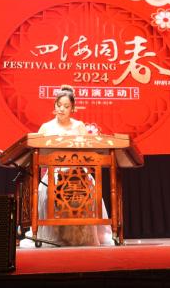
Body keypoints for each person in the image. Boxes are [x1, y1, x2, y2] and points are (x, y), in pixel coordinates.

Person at [29, 85, 112, 246]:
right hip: (54, 172)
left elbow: (87, 151)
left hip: (77, 171)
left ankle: (84, 234)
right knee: (44, 191)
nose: (61, 109)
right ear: (54, 105)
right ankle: (53, 233)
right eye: (59, 105)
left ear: (72, 108)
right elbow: (36, 153)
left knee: (92, 187)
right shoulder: (46, 127)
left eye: (66, 106)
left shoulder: (79, 126)